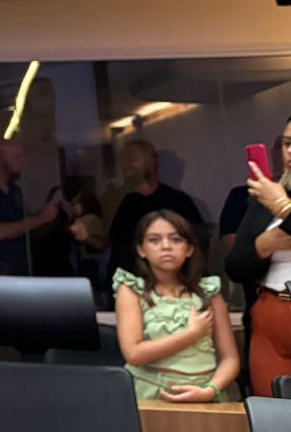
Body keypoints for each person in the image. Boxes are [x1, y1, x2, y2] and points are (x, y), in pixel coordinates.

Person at [114, 210, 239, 402]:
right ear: (141, 250)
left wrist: (210, 390)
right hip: (152, 392)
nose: (166, 246)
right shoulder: (132, 290)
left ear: (189, 249)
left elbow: (230, 358)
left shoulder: (208, 291)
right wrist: (191, 335)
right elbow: (133, 353)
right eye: (154, 240)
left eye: (176, 239)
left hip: (205, 392)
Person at [227, 117, 291, 396]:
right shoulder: (267, 195)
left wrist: (283, 207)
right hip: (272, 312)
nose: (290, 152)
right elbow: (235, 266)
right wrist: (266, 244)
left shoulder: (275, 199)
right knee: (272, 411)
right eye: (287, 144)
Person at [105, 138, 206, 284]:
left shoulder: (178, 201)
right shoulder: (116, 200)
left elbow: (197, 242)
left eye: (133, 159)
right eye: (123, 160)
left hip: (171, 285)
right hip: (125, 284)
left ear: (152, 163)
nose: (126, 165)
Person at [0, 138, 64, 275]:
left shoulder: (14, 191)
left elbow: (25, 228)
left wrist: (49, 215)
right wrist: (40, 218)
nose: (24, 162)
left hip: (19, 274)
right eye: (17, 157)